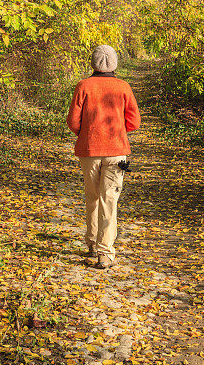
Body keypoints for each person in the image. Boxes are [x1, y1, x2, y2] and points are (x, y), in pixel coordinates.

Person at [66, 44, 141, 269]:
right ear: (114, 63)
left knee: (92, 197)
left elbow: (72, 122)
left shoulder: (84, 86)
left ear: (93, 63)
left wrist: (88, 133)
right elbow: (134, 122)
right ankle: (105, 253)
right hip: (117, 151)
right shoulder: (123, 87)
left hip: (89, 150)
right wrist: (117, 131)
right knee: (110, 199)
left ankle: (91, 243)